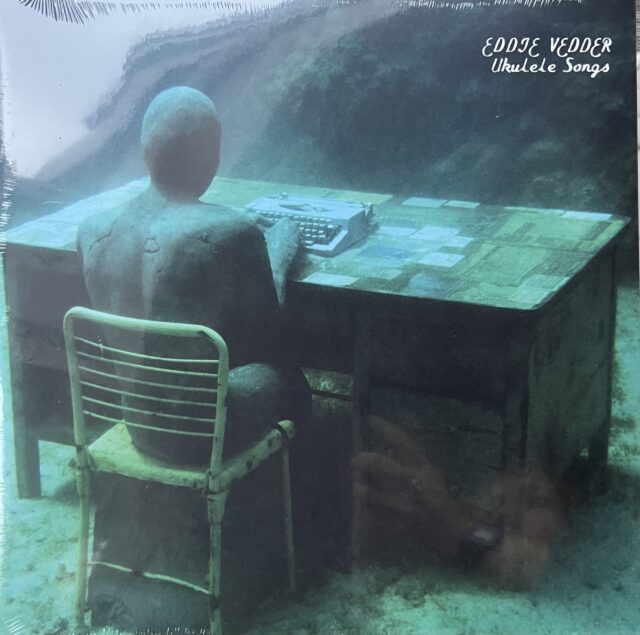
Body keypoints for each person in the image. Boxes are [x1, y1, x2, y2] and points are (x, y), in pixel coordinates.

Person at [77, 85, 311, 464]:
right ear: (213, 158)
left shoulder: (91, 230)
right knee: (291, 378)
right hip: (204, 434)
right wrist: (279, 254)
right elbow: (271, 335)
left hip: (138, 423)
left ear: (145, 150)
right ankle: (289, 494)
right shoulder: (235, 232)